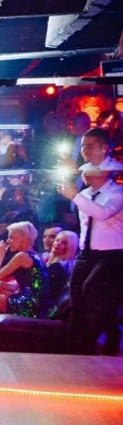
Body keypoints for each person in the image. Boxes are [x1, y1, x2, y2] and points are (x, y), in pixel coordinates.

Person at [57, 128, 123, 356]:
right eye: (83, 146)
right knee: (76, 298)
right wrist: (72, 184)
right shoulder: (84, 194)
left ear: (104, 148)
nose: (84, 151)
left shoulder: (117, 193)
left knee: (92, 291)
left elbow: (102, 213)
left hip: (112, 255)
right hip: (86, 254)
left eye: (90, 146)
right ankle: (76, 350)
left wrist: (75, 195)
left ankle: (110, 334)